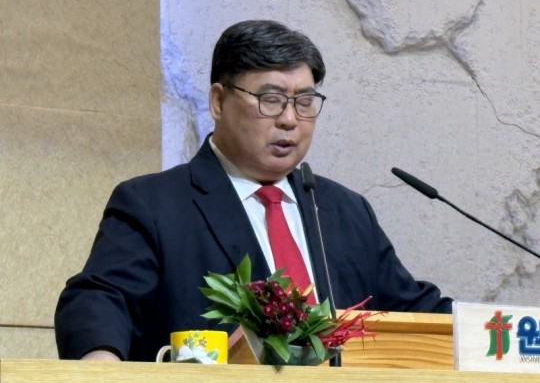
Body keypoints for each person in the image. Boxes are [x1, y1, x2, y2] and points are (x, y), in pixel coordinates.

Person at [54, 19, 452, 362]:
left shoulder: (344, 211)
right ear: (218, 101)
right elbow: (101, 298)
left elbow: (415, 312)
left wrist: (485, 328)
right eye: (271, 100)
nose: (290, 119)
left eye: (305, 102)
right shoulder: (154, 205)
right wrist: (99, 363)